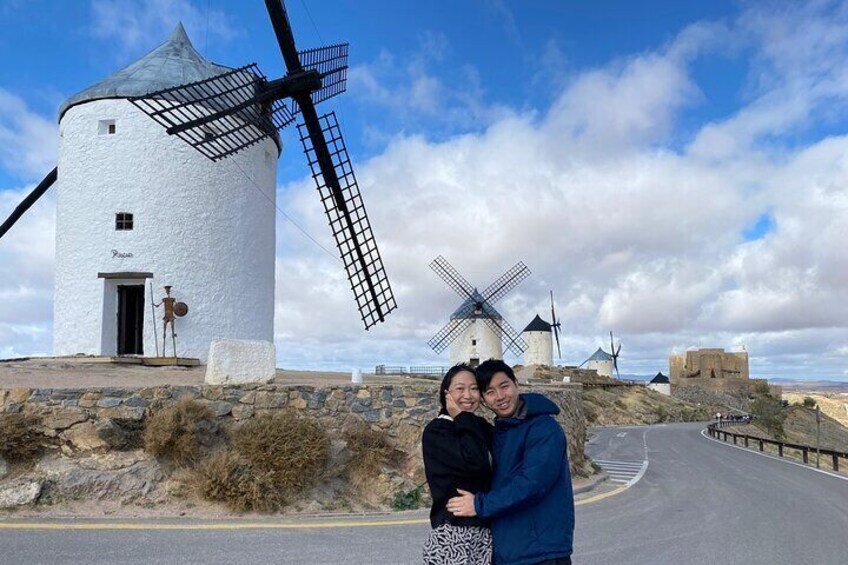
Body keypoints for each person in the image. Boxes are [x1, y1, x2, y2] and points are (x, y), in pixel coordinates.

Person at [447, 359, 574, 565]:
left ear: (516, 383)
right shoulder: (499, 431)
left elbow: (532, 484)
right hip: (509, 551)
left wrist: (479, 504)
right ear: (484, 400)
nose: (500, 396)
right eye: (490, 392)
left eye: (504, 386)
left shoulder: (544, 428)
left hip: (541, 552)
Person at [422, 364, 494, 565]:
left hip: (485, 531)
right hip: (453, 533)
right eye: (460, 388)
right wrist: (462, 416)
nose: (468, 395)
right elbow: (477, 463)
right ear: (447, 394)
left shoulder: (479, 426)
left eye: (474, 388)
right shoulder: (437, 431)